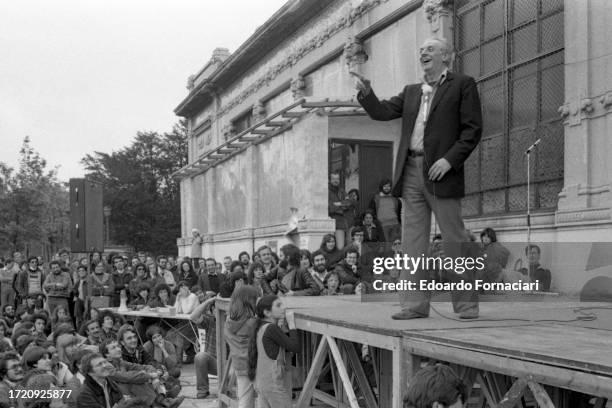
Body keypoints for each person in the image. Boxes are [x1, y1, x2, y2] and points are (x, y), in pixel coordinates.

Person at [354, 37, 482, 320]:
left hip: (441, 172)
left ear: (447, 56)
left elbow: (472, 130)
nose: (423, 51)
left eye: (430, 48)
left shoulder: (463, 85)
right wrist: (367, 93)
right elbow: (383, 111)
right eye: (421, 48)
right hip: (411, 170)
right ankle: (413, 305)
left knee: (454, 239)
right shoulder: (412, 91)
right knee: (413, 241)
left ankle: (466, 305)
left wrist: (449, 160)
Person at [248, 295, 299, 407]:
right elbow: (295, 347)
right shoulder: (271, 328)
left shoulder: (261, 327)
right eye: (278, 305)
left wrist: (281, 329)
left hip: (261, 382)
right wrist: (292, 324)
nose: (283, 308)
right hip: (272, 385)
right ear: (267, 312)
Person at [224, 285, 259, 408]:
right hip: (255, 363)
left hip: (239, 364)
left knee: (244, 399)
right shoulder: (253, 322)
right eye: (255, 299)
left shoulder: (228, 321)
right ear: (249, 301)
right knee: (262, 398)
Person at [191, 296, 217, 399]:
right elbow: (193, 317)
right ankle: (203, 390)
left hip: (230, 364)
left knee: (232, 383)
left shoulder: (233, 323)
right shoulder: (210, 321)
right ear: (213, 311)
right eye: (215, 308)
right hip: (214, 363)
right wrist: (209, 301)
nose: (218, 310)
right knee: (200, 356)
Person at [328, 172, 351, 249]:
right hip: (331, 221)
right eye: (333, 179)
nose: (336, 181)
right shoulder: (326, 191)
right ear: (329, 180)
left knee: (343, 246)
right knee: (335, 247)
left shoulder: (342, 191)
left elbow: (348, 203)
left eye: (337, 179)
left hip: (342, 222)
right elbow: (329, 207)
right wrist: (341, 205)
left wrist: (338, 204)